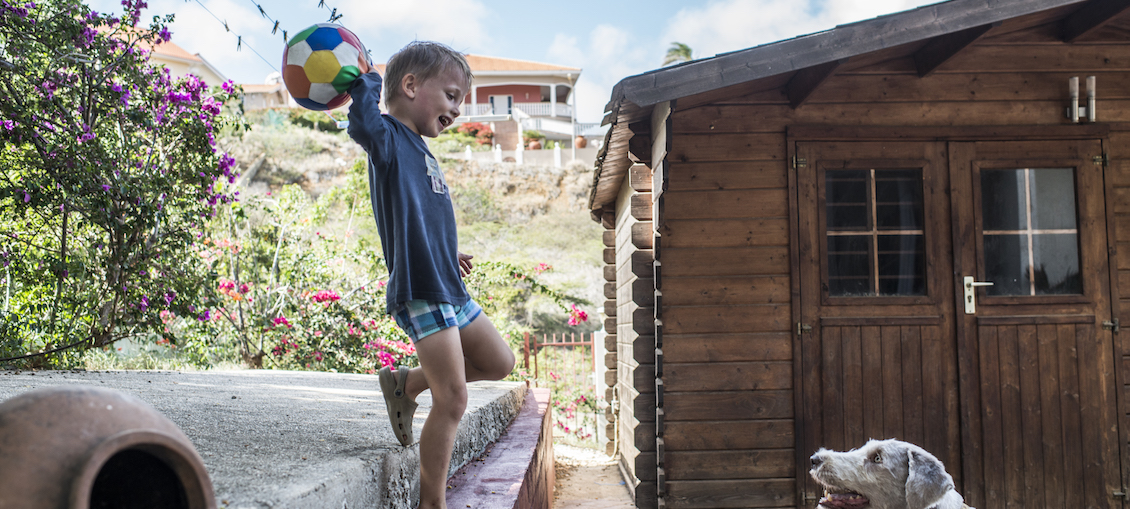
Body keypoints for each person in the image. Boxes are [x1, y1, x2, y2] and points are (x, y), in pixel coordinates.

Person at [346, 41, 516, 509]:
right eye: (452, 95)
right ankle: (432, 503)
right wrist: (365, 78)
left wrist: (449, 252)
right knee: (455, 399)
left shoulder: (421, 150)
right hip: (421, 291)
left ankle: (406, 383)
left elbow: (422, 216)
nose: (458, 109)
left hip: (448, 283)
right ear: (410, 85)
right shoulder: (385, 137)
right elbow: (361, 120)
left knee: (500, 362)